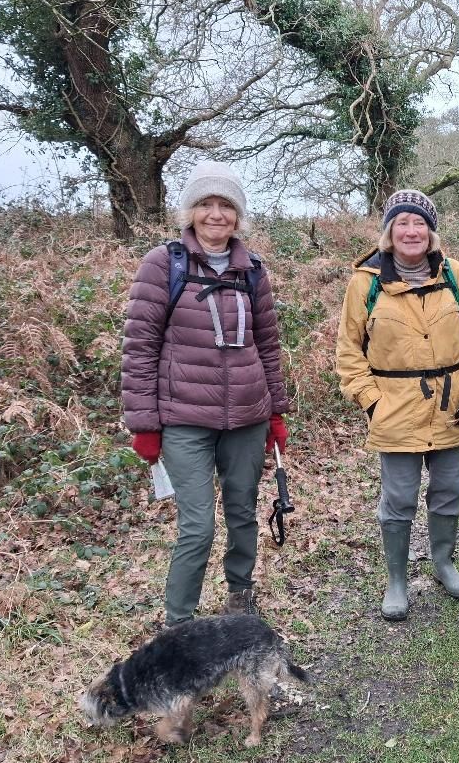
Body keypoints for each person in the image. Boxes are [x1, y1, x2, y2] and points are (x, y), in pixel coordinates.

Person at [121, 161, 290, 627]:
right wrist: (144, 424)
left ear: (238, 216)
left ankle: (240, 598)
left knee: (242, 514)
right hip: (184, 420)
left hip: (247, 419)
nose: (216, 215)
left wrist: (276, 413)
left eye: (226, 206)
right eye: (206, 204)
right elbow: (139, 348)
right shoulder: (163, 264)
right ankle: (179, 625)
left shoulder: (253, 270)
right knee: (197, 527)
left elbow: (269, 346)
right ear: (190, 212)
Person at [335, 190, 459, 621]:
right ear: (389, 232)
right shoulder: (365, 283)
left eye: (420, 223)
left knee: (450, 491)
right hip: (395, 409)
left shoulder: (455, 274)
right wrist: (371, 403)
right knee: (399, 497)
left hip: (452, 405)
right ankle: (397, 580)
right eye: (402, 223)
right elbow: (349, 353)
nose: (412, 231)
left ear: (431, 232)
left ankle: (444, 564)